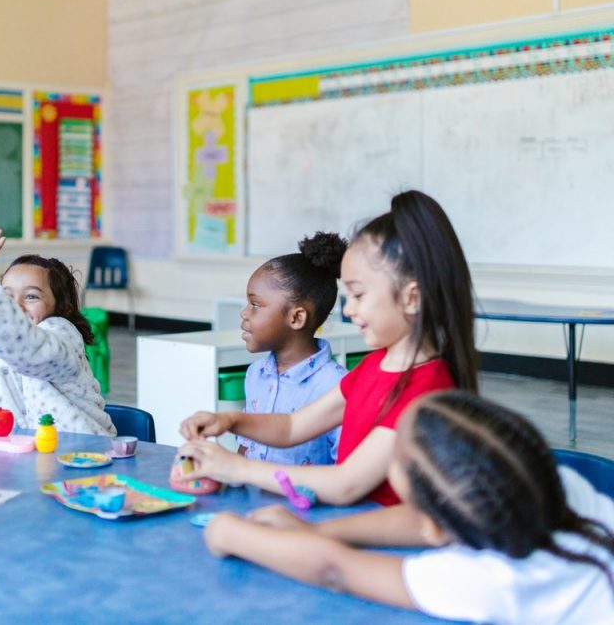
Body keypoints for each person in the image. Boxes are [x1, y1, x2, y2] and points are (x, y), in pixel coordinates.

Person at [203, 392, 614, 624]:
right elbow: (422, 519)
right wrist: (316, 531)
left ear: (434, 529)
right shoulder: (552, 484)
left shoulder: (486, 581)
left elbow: (335, 570)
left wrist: (228, 531)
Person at [179, 190, 478, 506]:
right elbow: (293, 426)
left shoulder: (426, 390)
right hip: (354, 520)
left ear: (412, 297)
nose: (348, 311)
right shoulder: (374, 366)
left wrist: (238, 469)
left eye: (359, 296)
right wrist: (230, 421)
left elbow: (345, 484)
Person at [0, 226, 115, 436]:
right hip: (29, 458)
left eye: (31, 296)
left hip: (82, 455)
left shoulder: (62, 337)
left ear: (63, 305)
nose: (16, 306)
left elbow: (30, 351)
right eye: (7, 297)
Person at [235, 232, 348, 466]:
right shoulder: (256, 374)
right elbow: (246, 446)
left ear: (296, 318)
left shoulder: (336, 387)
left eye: (255, 305)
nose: (244, 313)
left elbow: (345, 470)